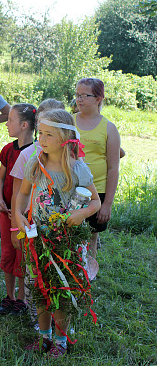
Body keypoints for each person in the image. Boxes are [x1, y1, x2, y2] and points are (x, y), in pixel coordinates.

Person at [15, 109, 100, 357]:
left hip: (66, 245)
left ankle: (61, 342)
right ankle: (44, 337)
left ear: (64, 137)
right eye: (40, 132)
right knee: (41, 290)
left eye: (48, 134)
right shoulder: (35, 163)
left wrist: (81, 214)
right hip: (39, 240)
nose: (41, 138)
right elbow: (22, 194)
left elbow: (95, 201)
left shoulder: (78, 169)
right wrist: (19, 215)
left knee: (61, 292)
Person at [10, 98, 65, 324]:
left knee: (60, 276)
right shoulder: (29, 157)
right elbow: (18, 195)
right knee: (36, 275)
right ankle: (39, 322)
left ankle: (61, 322)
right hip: (34, 228)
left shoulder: (72, 160)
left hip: (62, 232)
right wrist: (16, 224)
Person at [0, 103, 36, 315]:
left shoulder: (36, 152)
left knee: (23, 255)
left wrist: (21, 211)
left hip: (24, 216)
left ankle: (22, 298)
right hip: (6, 213)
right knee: (7, 253)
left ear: (24, 125)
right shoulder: (8, 150)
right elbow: (0, 178)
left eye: (10, 120)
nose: (7, 123)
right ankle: (9, 296)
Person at [74, 78, 121, 259]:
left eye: (85, 95)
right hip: (69, 190)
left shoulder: (109, 128)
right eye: (77, 95)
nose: (79, 99)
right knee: (67, 234)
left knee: (90, 237)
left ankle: (87, 277)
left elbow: (113, 168)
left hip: (97, 192)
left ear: (99, 98)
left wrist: (106, 204)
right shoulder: (68, 123)